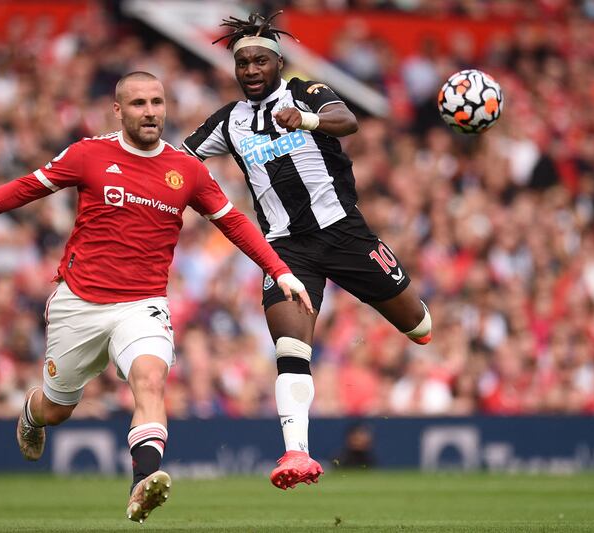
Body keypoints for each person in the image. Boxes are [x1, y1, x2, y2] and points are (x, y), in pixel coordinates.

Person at [0, 71, 313, 523]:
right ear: (118, 110)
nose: (151, 112)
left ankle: (142, 482)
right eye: (140, 103)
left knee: (149, 379)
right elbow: (28, 186)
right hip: (78, 302)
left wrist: (280, 271)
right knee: (58, 410)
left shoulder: (186, 169)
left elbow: (234, 222)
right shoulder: (89, 154)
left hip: (142, 305)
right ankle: (32, 412)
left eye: (157, 102)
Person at [182, 12, 432, 490]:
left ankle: (405, 313)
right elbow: (179, 161)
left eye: (260, 60)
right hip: (282, 249)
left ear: (278, 62)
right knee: (291, 348)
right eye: (243, 63)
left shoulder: (306, 92)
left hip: (345, 235)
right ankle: (296, 452)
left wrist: (308, 119)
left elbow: (348, 120)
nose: (251, 70)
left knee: (419, 327)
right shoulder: (229, 120)